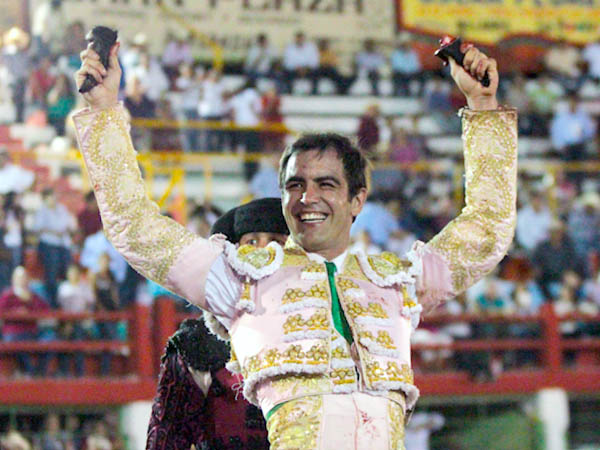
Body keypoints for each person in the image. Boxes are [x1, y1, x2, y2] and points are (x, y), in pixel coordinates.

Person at [74, 40, 516, 448]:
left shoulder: (397, 282)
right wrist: (103, 110)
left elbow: (487, 229)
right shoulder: (241, 278)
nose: (307, 198)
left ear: (357, 200)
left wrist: (482, 107)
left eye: (326, 184)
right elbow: (136, 227)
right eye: (295, 185)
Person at [147, 197, 288, 450]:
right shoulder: (197, 344)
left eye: (277, 242)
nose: (263, 252)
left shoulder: (326, 330)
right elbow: (166, 439)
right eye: (251, 242)